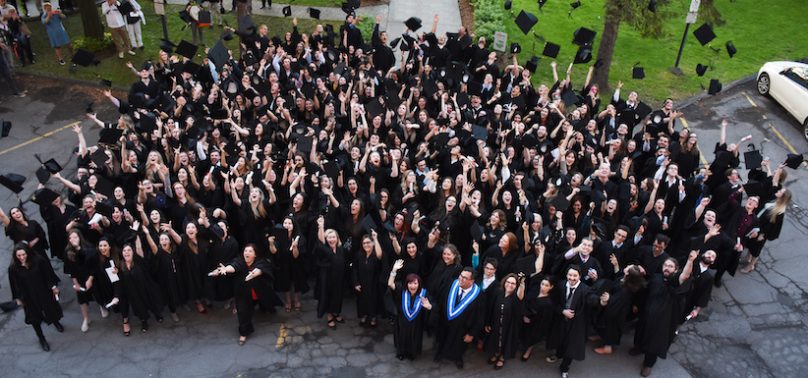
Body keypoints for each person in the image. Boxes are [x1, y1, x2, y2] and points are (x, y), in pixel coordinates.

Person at [632, 252, 697, 377]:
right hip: (647, 314)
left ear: (676, 269)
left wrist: (690, 260)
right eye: (665, 265)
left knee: (654, 342)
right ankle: (638, 348)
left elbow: (685, 275)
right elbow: (644, 292)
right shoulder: (656, 278)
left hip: (663, 320)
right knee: (641, 333)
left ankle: (648, 364)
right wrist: (636, 304)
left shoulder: (675, 281)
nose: (667, 268)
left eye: (670, 266)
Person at [209, 244, 280, 345]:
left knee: (266, 304)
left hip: (259, 292)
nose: (247, 253)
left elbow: (261, 268)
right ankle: (244, 332)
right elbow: (233, 266)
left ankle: (266, 307)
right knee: (242, 312)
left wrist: (256, 273)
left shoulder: (260, 262)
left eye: (250, 251)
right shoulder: (239, 261)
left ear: (255, 255)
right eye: (245, 251)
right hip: (243, 294)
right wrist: (225, 269)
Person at [8, 243, 64, 351]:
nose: (22, 258)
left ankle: (55, 322)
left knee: (50, 309)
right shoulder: (13, 268)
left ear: (27, 253)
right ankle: (41, 338)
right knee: (34, 317)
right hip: (28, 296)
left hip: (43, 291)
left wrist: (53, 287)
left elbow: (47, 274)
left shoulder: (38, 261)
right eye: (19, 256)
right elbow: (14, 284)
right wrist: (18, 298)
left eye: (23, 254)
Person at [432, 267, 484, 369]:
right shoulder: (451, 284)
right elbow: (441, 300)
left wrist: (472, 333)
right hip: (445, 322)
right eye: (460, 275)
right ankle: (440, 354)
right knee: (442, 339)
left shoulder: (479, 295)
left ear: (472, 281)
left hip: (463, 327)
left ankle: (457, 358)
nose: (460, 279)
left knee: (459, 345)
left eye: (464, 278)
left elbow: (480, 316)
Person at [555, 265, 598, 378]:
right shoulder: (561, 286)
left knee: (572, 346)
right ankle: (558, 354)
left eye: (575, 275)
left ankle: (564, 368)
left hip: (577, 323)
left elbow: (592, 300)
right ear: (566, 275)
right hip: (562, 320)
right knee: (560, 339)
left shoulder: (585, 289)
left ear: (580, 276)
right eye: (570, 275)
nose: (572, 278)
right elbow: (554, 303)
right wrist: (562, 311)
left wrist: (600, 302)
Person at [388, 260, 432, 360]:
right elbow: (390, 284)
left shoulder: (424, 293)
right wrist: (394, 270)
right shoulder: (401, 290)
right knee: (402, 337)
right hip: (402, 322)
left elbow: (432, 306)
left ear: (419, 284)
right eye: (410, 283)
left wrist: (429, 307)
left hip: (416, 323)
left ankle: (412, 353)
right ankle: (401, 353)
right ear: (406, 284)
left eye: (415, 283)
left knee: (414, 338)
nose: (412, 286)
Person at [742, 188, 791, 273]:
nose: (777, 192)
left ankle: (751, 265)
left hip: (762, 232)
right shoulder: (774, 199)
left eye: (780, 192)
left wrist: (762, 234)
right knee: (751, 243)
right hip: (756, 225)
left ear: (782, 197)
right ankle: (747, 258)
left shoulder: (779, 212)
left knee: (756, 249)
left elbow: (772, 227)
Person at [484, 273, 526, 370]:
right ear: (504, 282)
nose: (510, 285)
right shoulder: (498, 293)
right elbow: (491, 308)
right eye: (508, 282)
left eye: (513, 283)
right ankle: (496, 353)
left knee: (506, 341)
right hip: (496, 324)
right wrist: (488, 323)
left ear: (516, 286)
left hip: (509, 326)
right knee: (496, 340)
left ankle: (502, 357)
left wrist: (522, 283)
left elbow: (520, 295)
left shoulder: (516, 297)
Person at [315, 216, 347, 329]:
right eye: (329, 237)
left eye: (333, 237)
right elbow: (320, 241)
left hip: (339, 278)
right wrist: (321, 226)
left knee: (338, 296)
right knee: (328, 296)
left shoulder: (340, 249)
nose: (331, 239)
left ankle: (336, 313)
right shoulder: (324, 249)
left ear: (337, 238)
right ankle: (329, 316)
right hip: (327, 278)